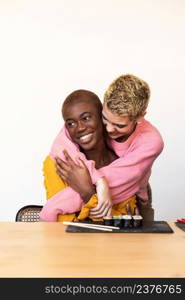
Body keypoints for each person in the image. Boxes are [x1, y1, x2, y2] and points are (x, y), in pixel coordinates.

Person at [53, 74, 164, 221]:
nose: (109, 129)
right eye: (105, 119)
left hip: (134, 191)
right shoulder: (93, 117)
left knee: (140, 237)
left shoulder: (151, 142)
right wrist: (99, 181)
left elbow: (117, 179)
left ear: (140, 117)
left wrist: (88, 190)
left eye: (120, 125)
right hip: (96, 180)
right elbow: (61, 144)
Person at [39, 89, 137, 222]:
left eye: (86, 118)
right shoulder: (57, 163)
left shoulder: (123, 166)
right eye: (71, 123)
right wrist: (94, 196)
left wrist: (88, 193)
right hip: (64, 242)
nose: (79, 128)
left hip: (113, 243)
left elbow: (122, 226)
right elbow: (62, 224)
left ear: (103, 118)